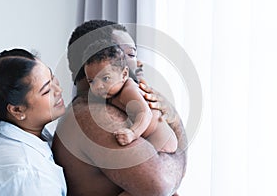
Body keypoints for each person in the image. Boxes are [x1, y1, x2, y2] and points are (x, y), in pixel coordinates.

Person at [52, 20, 187, 196]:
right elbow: (160, 185)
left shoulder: (105, 106)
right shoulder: (91, 115)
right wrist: (174, 120)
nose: (139, 64)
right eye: (130, 55)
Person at [0, 49, 67, 196]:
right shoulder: (28, 175)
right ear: (17, 110)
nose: (59, 90)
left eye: (53, 79)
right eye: (46, 90)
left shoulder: (6, 130)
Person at [83, 40, 178, 153]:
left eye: (105, 78)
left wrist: (133, 133)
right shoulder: (111, 90)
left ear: (124, 75)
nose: (98, 86)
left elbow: (145, 113)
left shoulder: (128, 90)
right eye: (91, 81)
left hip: (160, 140)